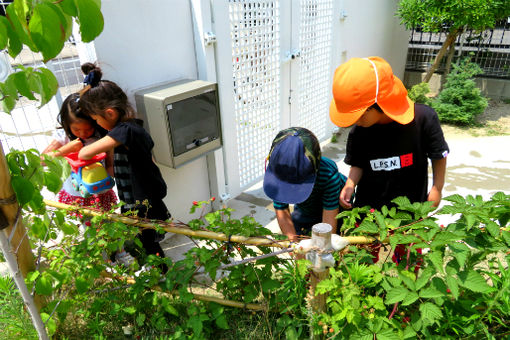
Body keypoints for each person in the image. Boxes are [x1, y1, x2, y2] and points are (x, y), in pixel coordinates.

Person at [76, 63, 170, 266]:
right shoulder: (131, 130)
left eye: (95, 119)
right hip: (141, 198)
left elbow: (85, 153)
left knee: (146, 244)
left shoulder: (124, 132)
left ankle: (161, 275)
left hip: (142, 202)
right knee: (144, 242)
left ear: (110, 113)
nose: (97, 125)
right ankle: (156, 272)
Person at [329, 56, 449, 211]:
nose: (355, 120)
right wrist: (350, 184)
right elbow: (358, 163)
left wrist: (437, 188)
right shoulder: (359, 131)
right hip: (370, 211)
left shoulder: (423, 119)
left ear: (380, 103)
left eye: (360, 114)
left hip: (410, 209)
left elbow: (439, 155)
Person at [263, 127, 347, 242]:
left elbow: (329, 220)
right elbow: (281, 210)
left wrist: (323, 249)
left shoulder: (328, 174)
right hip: (306, 207)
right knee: (299, 236)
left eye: (296, 184)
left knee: (331, 243)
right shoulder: (279, 172)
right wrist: (294, 246)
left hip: (336, 205)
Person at [41, 92, 117, 211]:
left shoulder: (100, 137)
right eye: (76, 129)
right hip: (76, 194)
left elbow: (110, 163)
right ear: (67, 124)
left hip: (101, 191)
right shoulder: (64, 137)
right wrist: (66, 149)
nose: (82, 134)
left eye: (88, 129)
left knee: (105, 223)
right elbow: (42, 160)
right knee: (86, 225)